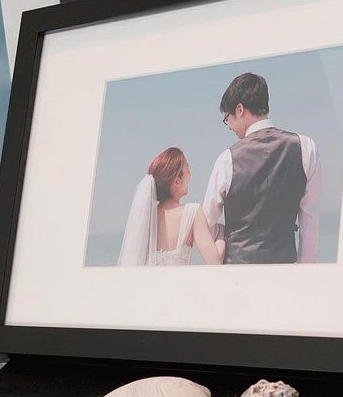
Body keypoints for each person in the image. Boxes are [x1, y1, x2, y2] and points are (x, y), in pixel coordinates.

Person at [203, 73, 322, 264]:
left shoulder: (227, 159)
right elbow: (310, 220)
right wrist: (305, 272)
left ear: (239, 109)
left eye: (227, 119)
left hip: (237, 273)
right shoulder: (306, 148)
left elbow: (206, 223)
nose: (229, 126)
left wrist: (222, 235)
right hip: (286, 269)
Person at [119, 147, 225, 266]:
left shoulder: (146, 216)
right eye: (188, 169)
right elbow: (214, 261)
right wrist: (221, 233)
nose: (191, 175)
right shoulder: (193, 212)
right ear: (177, 182)